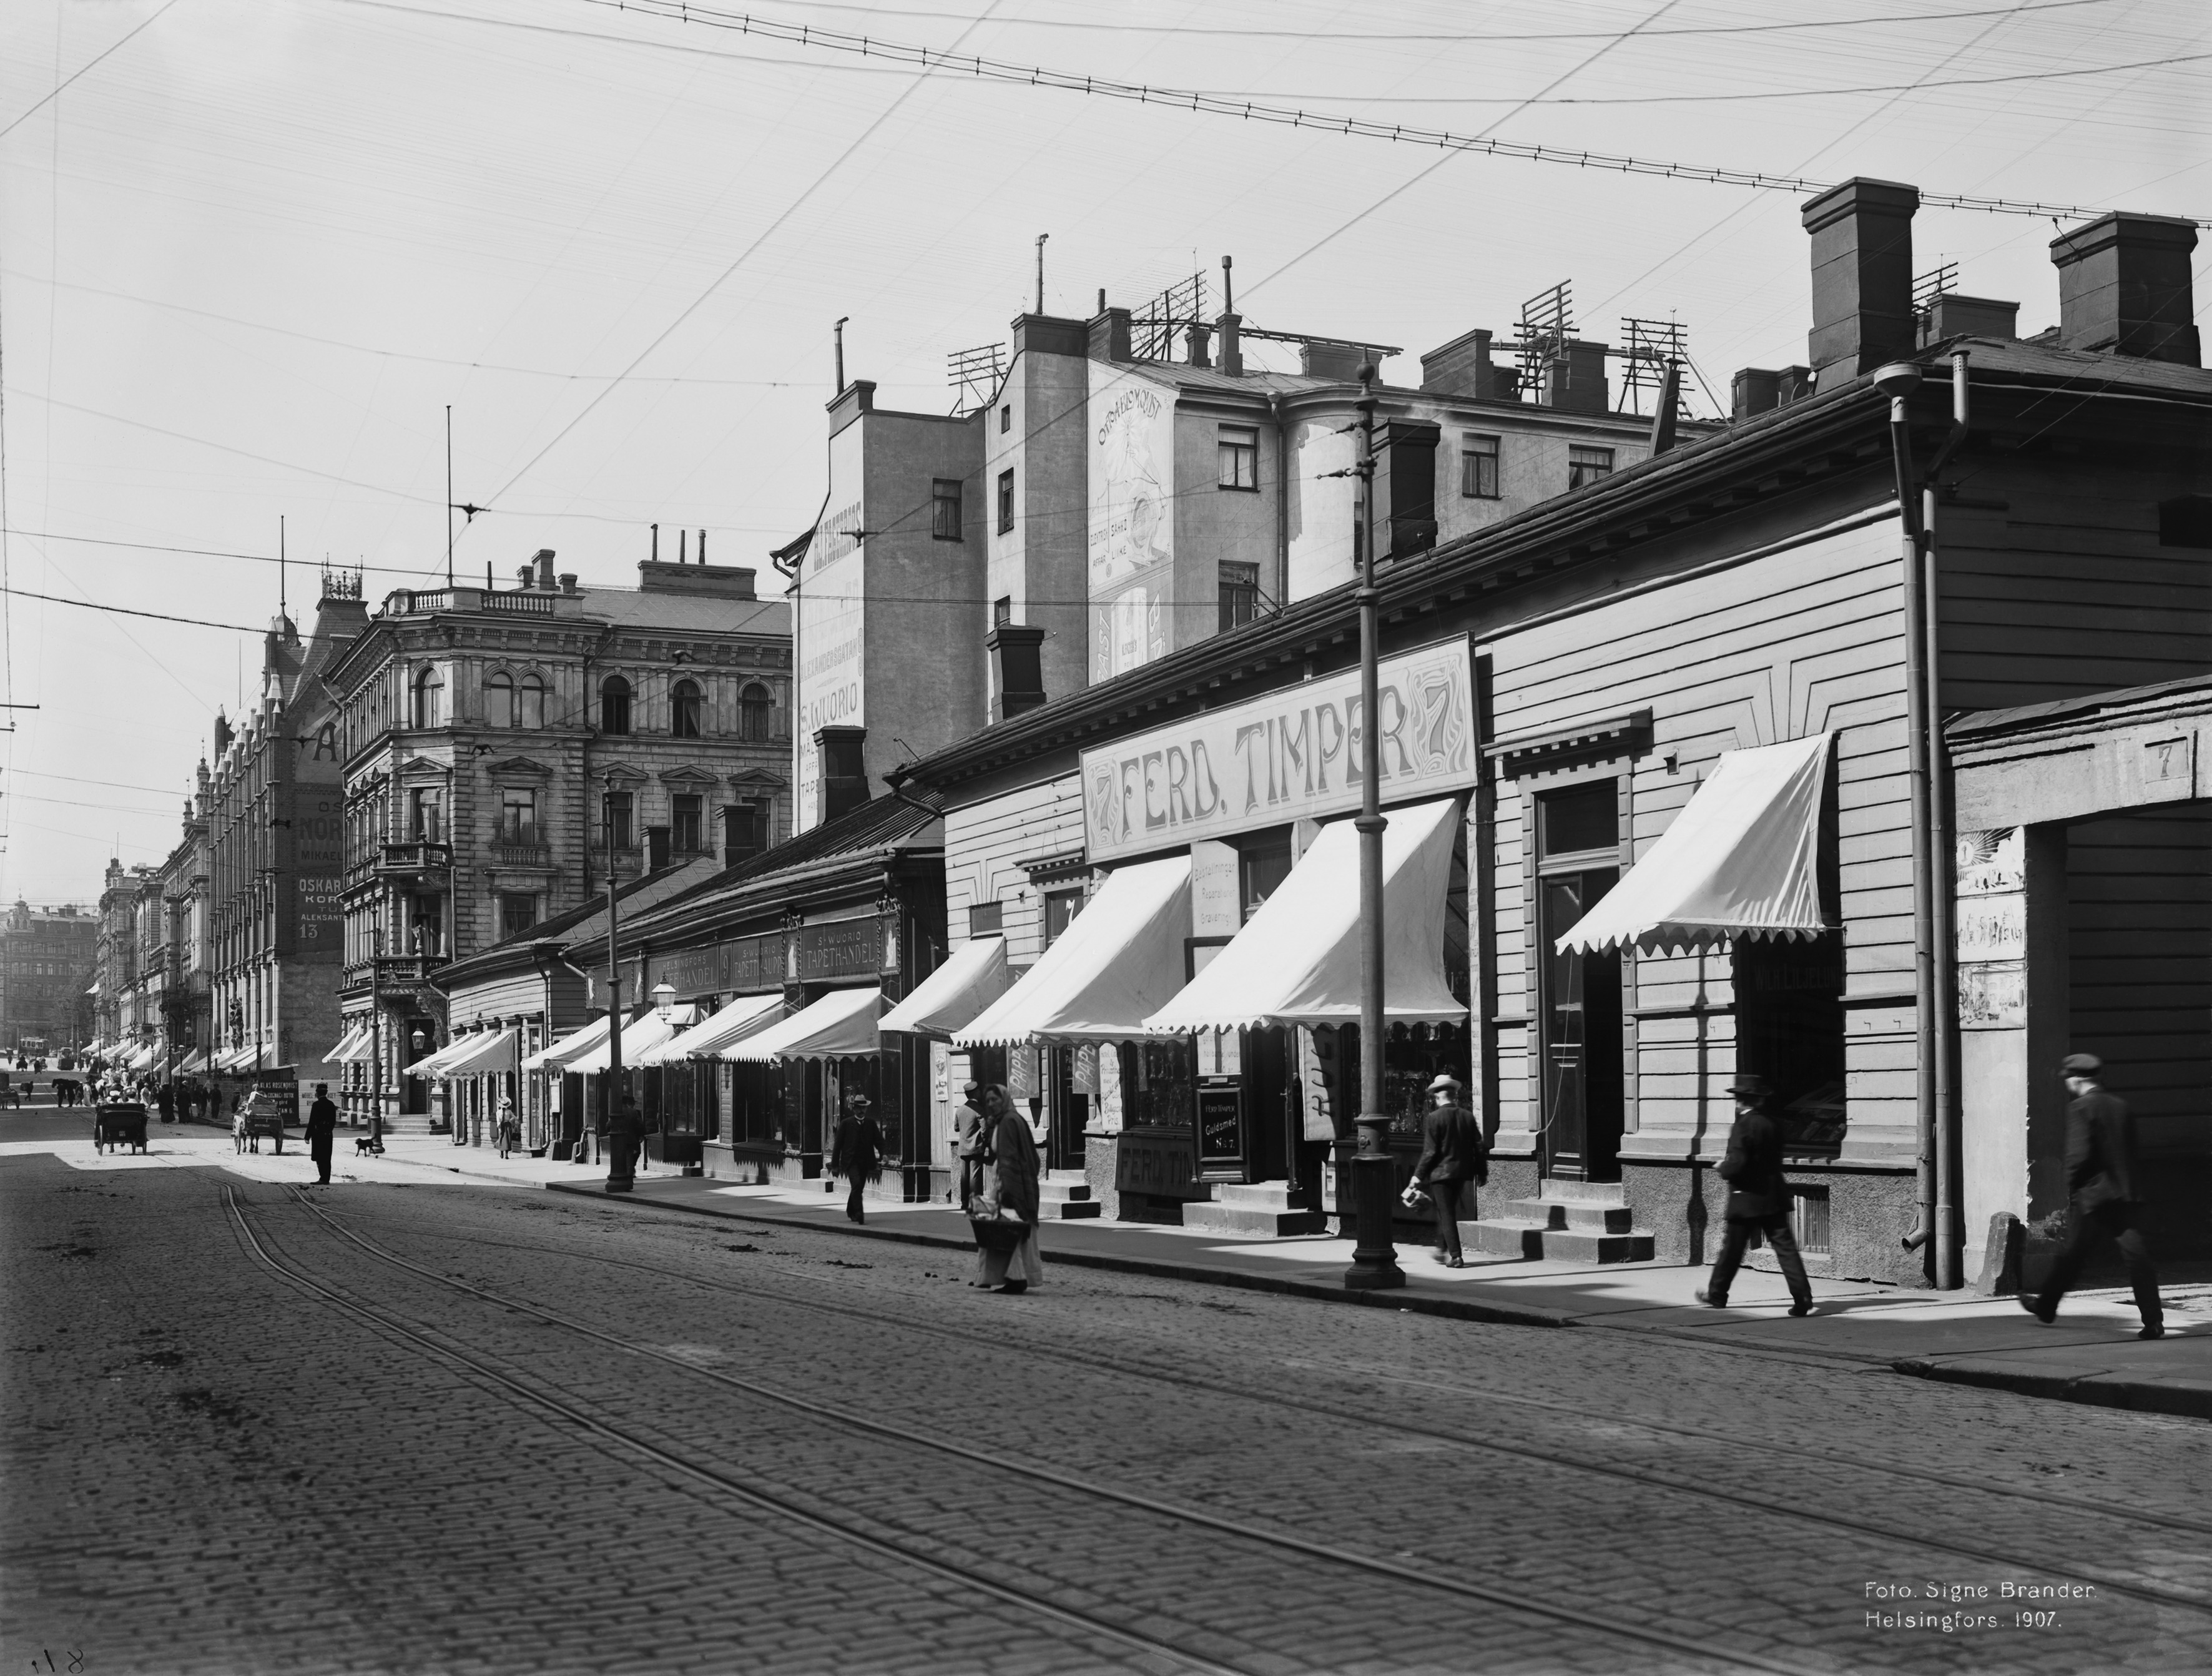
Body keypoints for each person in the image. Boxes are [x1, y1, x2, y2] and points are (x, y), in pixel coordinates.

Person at [2023, 1053, 2163, 1339]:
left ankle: (2047, 1307)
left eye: (2068, 1079)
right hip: (2125, 1197)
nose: (2068, 1084)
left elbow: (2078, 1156)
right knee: (2138, 1259)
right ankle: (2153, 1321)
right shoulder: (2121, 1106)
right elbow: (2134, 1152)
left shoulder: (2081, 1108)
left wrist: (2073, 1190)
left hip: (2093, 1199)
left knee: (2074, 1255)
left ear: (2077, 1079)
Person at [1696, 1073, 1814, 1317]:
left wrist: (1723, 1167)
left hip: (1746, 1198)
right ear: (1759, 1100)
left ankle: (1717, 1295)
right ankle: (1802, 1297)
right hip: (1773, 1196)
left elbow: (1738, 1163)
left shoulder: (1742, 1126)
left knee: (1732, 1250)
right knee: (1786, 1249)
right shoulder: (1772, 1123)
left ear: (1740, 1101)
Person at [1410, 1072, 1487, 1268]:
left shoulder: (1434, 1118)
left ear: (1438, 1097)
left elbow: (1430, 1151)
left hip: (1441, 1174)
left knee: (1446, 1214)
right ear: (1454, 1096)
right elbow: (1478, 1145)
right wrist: (1482, 1172)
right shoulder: (1467, 1116)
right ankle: (1441, 1249)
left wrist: (1418, 1176)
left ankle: (1456, 1256)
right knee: (1445, 1211)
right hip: (1461, 1172)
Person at [972, 1084, 1043, 1294]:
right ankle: (996, 1276)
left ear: (1004, 1099)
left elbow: (1009, 1160)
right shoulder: (1012, 1118)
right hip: (1015, 1184)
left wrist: (1009, 1192)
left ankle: (1015, 1278)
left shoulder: (1008, 1122)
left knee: (1006, 1233)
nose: (992, 1104)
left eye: (995, 1099)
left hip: (1009, 1186)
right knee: (1006, 1234)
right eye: (989, 1101)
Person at [830, 1094, 885, 1225]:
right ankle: (859, 1214)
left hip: (865, 1161)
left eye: (863, 1108)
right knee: (856, 1185)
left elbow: (879, 1141)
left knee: (858, 1187)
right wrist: (834, 1165)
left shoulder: (871, 1124)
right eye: (859, 1108)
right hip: (850, 1161)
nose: (861, 1111)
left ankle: (851, 1210)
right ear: (854, 1109)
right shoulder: (846, 1124)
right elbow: (837, 1146)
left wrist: (884, 1154)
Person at [951, 1082, 988, 1208]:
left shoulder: (960, 1109)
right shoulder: (979, 1109)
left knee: (964, 1176)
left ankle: (965, 1202)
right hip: (975, 1147)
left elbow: (956, 1128)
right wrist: (984, 1141)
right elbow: (985, 1129)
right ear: (976, 1093)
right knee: (975, 1175)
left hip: (962, 1148)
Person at [606, 1093, 644, 1192]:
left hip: (618, 1141)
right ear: (627, 1102)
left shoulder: (616, 1112)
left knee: (619, 1159)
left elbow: (608, 1125)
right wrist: (640, 1135)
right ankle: (629, 1179)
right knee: (629, 1159)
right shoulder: (634, 1112)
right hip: (631, 1139)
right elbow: (640, 1125)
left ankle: (621, 1176)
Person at [305, 1083, 338, 1185]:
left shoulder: (316, 1105)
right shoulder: (331, 1104)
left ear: (318, 1093)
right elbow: (333, 1121)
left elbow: (312, 1121)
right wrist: (328, 1130)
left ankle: (322, 1178)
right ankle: (326, 1178)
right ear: (326, 1093)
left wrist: (307, 1136)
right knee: (327, 1156)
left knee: (319, 1157)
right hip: (328, 1134)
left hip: (318, 1134)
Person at [495, 1091, 519, 1160]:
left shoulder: (508, 1112)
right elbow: (498, 1120)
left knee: (507, 1139)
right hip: (503, 1126)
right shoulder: (499, 1112)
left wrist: (514, 1121)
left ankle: (506, 1154)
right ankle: (502, 1153)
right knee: (502, 1139)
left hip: (507, 1126)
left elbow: (514, 1117)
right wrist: (499, 1127)